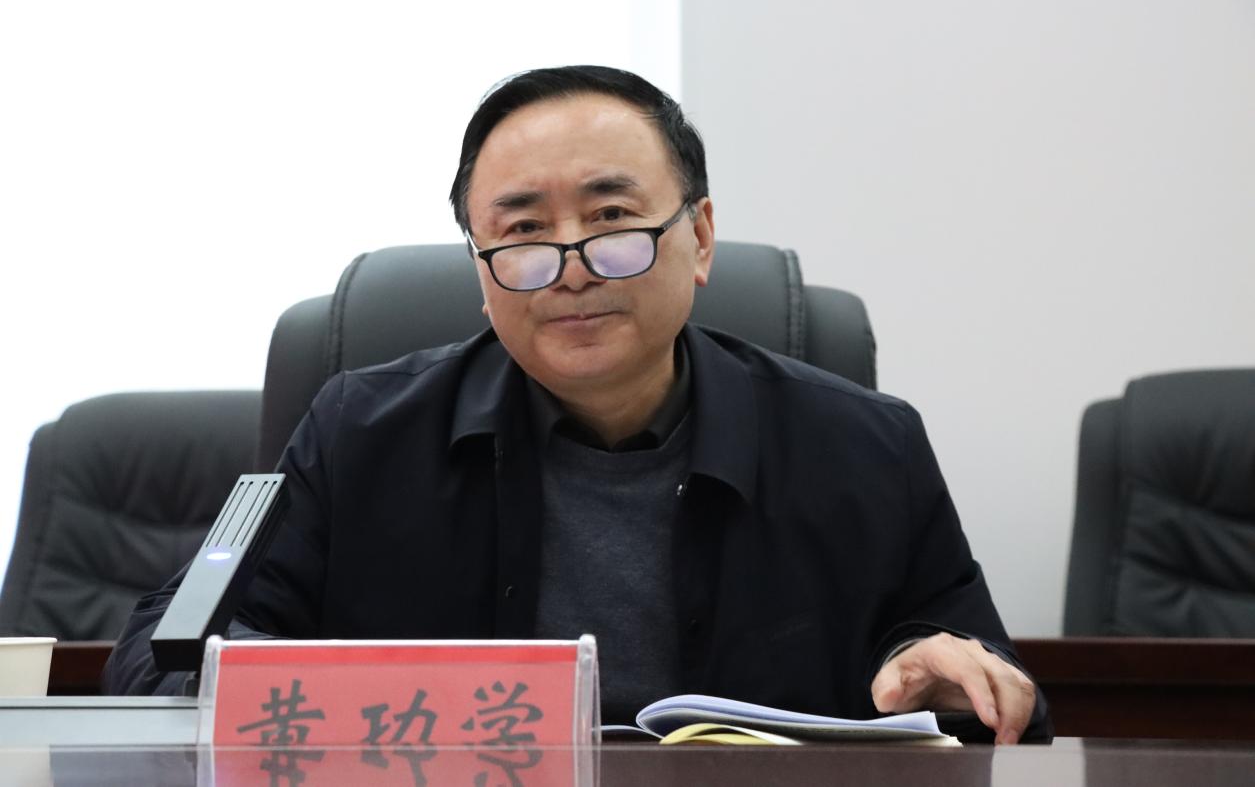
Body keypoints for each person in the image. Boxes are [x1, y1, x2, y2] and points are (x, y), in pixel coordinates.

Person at [105, 65, 1050, 743]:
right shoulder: (360, 431)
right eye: (522, 232)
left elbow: (993, 688)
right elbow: (160, 654)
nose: (570, 268)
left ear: (700, 238)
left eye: (611, 219)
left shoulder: (863, 443)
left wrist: (948, 677)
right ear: (481, 271)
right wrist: (287, 681)